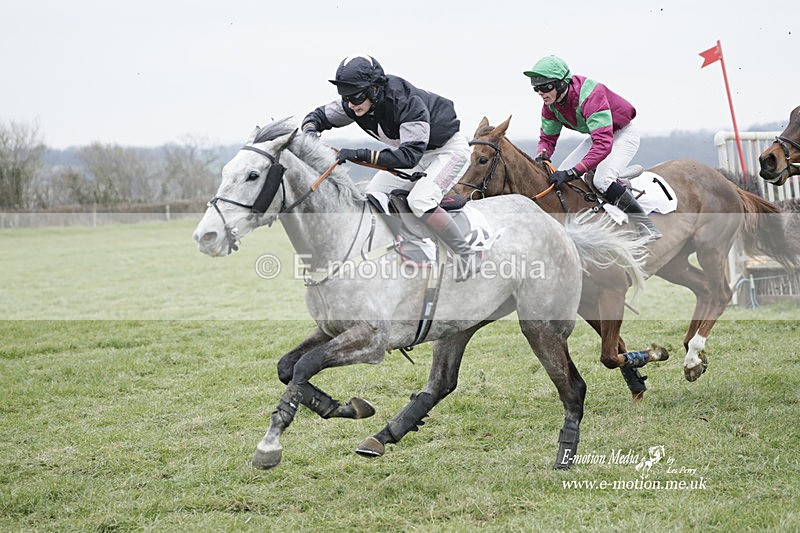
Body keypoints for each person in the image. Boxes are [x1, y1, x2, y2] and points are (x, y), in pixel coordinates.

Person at [302, 54, 480, 280]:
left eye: (355, 97)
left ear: (374, 89)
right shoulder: (355, 101)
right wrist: (310, 134)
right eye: (345, 97)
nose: (350, 104)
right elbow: (316, 117)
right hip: (416, 153)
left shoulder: (405, 102)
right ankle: (410, 244)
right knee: (373, 194)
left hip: (447, 151)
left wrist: (358, 154)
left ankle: (466, 254)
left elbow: (407, 157)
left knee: (420, 200)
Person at [523, 55, 661, 239]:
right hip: (598, 136)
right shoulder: (550, 105)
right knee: (561, 176)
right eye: (536, 88)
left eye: (545, 87)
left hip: (622, 134)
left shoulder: (590, 96)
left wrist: (575, 171)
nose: (541, 92)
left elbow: (603, 145)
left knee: (601, 180)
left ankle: (646, 225)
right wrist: (542, 156)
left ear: (562, 83)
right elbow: (547, 139)